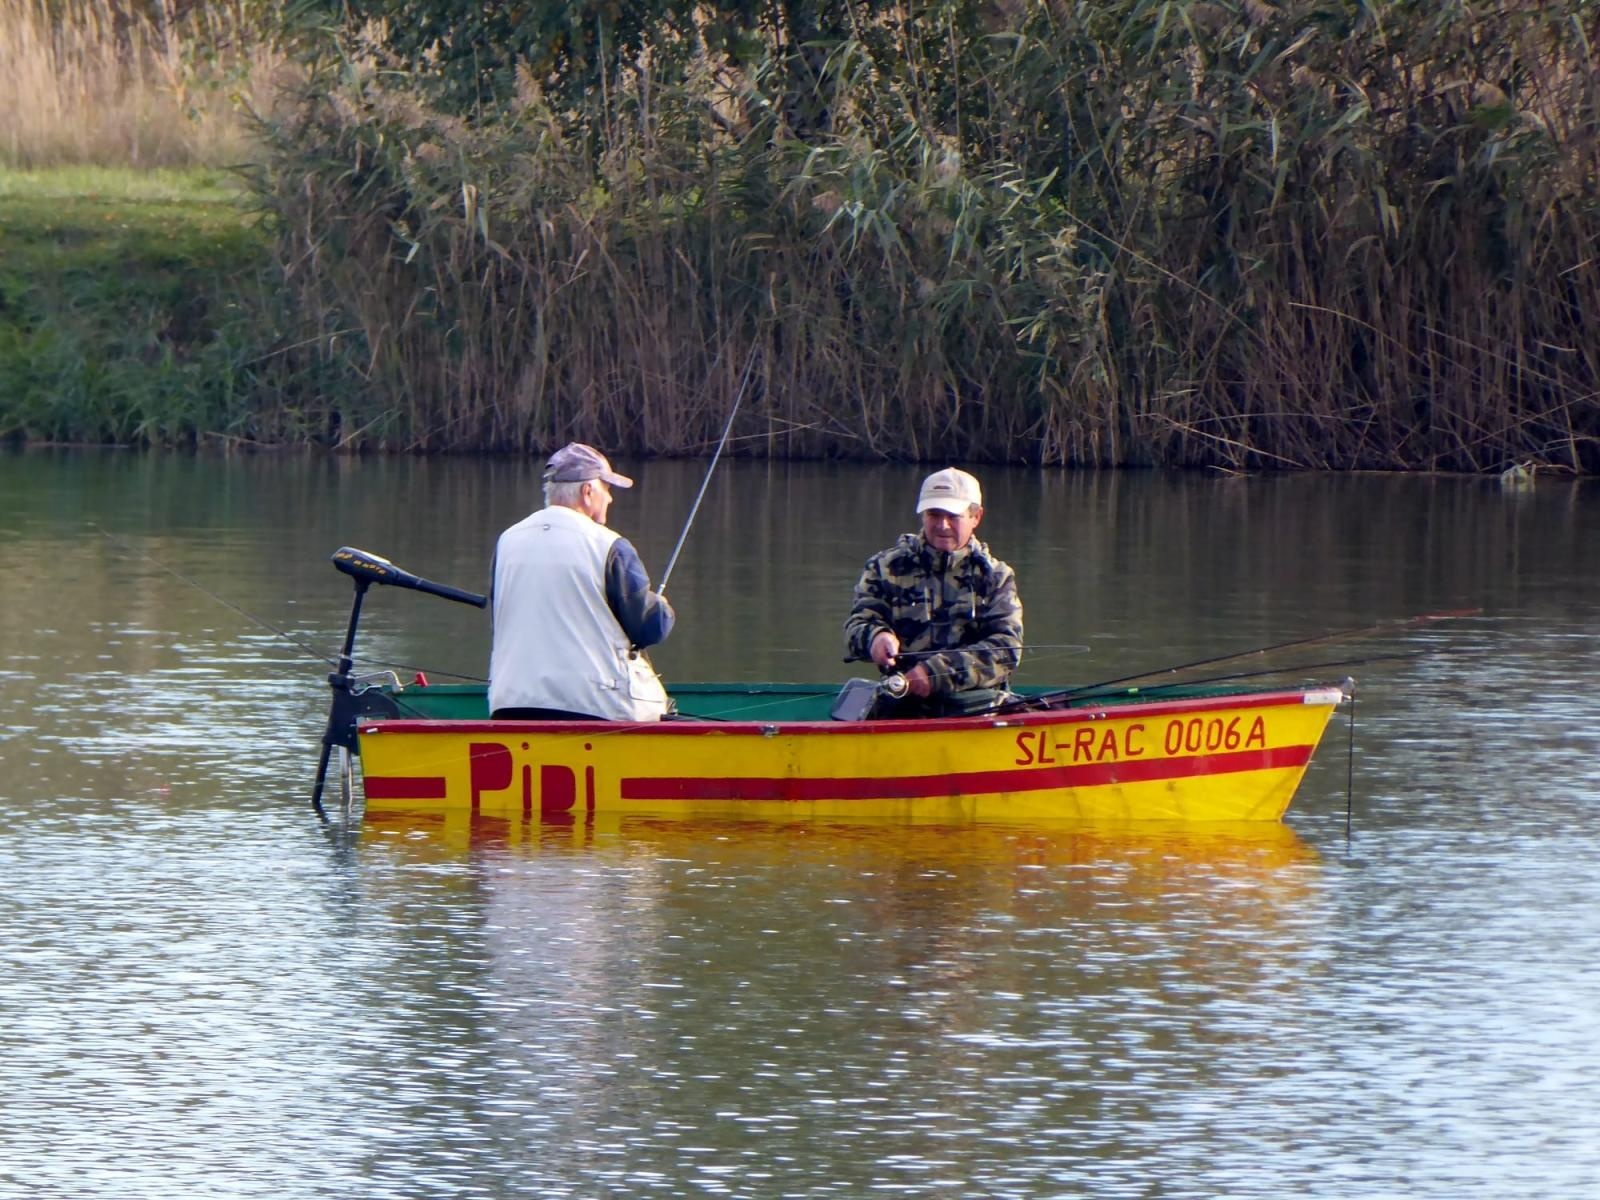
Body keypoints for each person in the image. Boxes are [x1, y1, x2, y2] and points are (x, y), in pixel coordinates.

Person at [488, 443, 674, 721]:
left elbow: (497, 619)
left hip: (508, 703)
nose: (610, 499)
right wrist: (661, 608)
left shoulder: (507, 541)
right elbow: (650, 629)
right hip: (595, 709)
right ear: (588, 492)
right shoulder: (610, 546)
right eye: (607, 489)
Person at [844, 467, 1023, 716]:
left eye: (953, 516)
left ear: (976, 517)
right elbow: (857, 625)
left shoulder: (995, 576)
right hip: (901, 706)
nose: (943, 525)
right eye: (934, 514)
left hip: (977, 711)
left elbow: (1006, 649)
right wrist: (875, 638)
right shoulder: (884, 567)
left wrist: (936, 673)